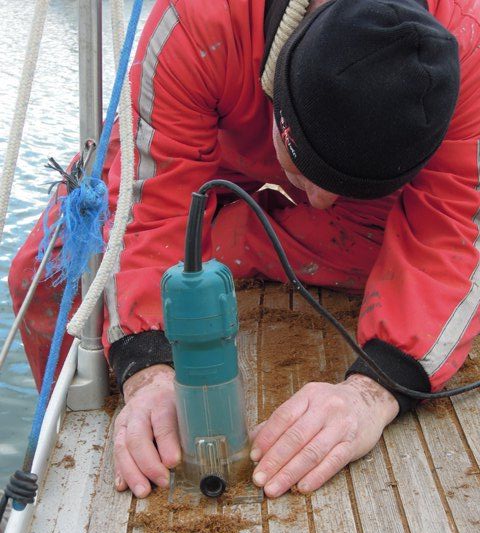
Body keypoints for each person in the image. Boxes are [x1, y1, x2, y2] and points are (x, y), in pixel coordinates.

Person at [9, 0, 479, 500]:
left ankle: (241, 237)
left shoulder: (467, 52)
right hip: (208, 152)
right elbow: (153, 198)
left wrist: (374, 390)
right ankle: (70, 443)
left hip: (369, 214)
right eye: (306, 175)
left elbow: (452, 226)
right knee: (41, 270)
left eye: (337, 186)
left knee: (387, 253)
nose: (319, 202)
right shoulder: (197, 20)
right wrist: (145, 365)